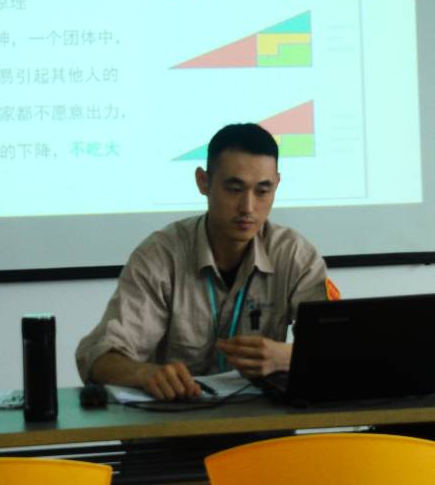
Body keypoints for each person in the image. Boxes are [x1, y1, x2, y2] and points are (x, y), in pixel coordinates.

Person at [76, 122, 334, 400]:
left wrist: (287, 357)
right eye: (234, 189)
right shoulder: (161, 256)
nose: (248, 207)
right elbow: (97, 357)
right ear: (203, 182)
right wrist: (145, 374)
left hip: (261, 419)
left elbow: (339, 345)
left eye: (262, 191)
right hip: (176, 419)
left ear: (277, 185)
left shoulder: (294, 255)